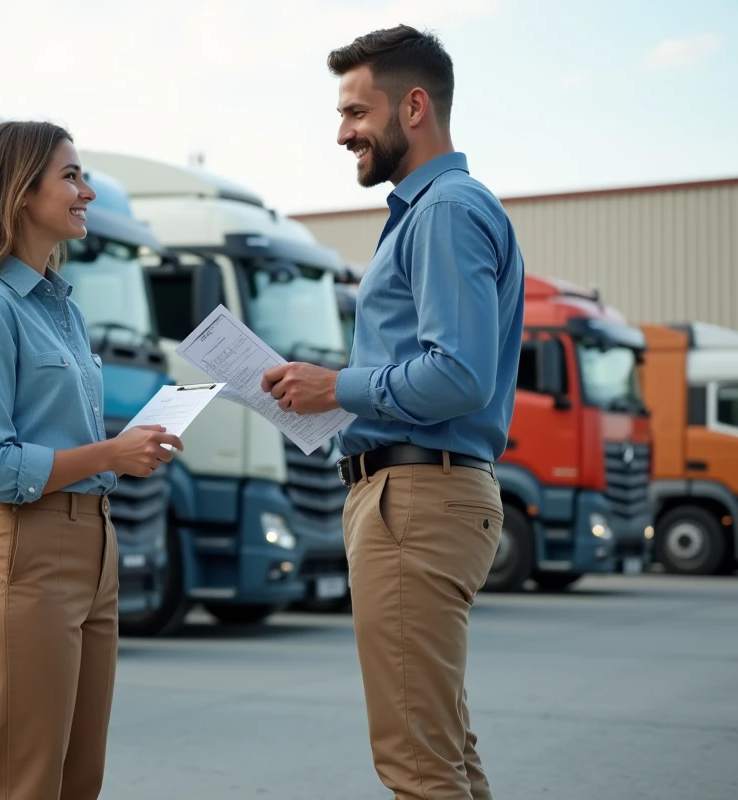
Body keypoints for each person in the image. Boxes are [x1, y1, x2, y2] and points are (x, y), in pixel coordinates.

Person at [261, 25, 524, 800]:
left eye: (354, 112)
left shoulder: (443, 210)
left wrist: (334, 388)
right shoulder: (431, 211)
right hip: (422, 495)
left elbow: (459, 374)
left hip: (417, 500)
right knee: (443, 751)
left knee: (417, 763)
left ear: (414, 106)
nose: (342, 133)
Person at [0, 120, 184, 800]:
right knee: (26, 785)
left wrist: (128, 450)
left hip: (93, 548)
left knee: (77, 785)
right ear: (18, 192)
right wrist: (110, 453)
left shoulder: (63, 311)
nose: (86, 191)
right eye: (70, 176)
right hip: (25, 557)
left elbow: (60, 435)